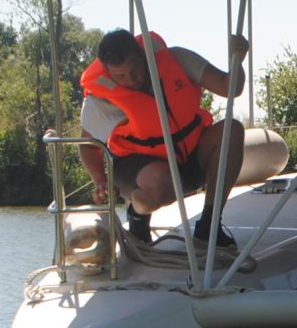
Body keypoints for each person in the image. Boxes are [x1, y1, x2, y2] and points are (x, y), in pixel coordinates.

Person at [79, 28, 248, 248]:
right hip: (140, 168)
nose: (132, 80)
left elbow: (230, 87)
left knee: (232, 130)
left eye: (135, 70)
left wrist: (238, 60)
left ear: (141, 54)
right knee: (160, 181)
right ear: (109, 74)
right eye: (121, 76)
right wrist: (100, 180)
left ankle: (209, 225)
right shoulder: (100, 100)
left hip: (188, 158)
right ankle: (138, 217)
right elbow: (87, 145)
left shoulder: (177, 60)